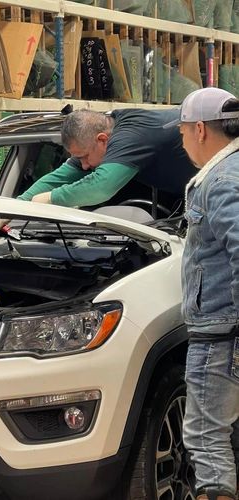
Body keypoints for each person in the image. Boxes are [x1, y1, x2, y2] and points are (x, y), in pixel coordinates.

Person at [175, 87, 239, 500]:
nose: (181, 142)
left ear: (200, 129)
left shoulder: (221, 182)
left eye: (181, 133)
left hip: (220, 333)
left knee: (205, 439)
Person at [0, 107, 196, 231]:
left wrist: (51, 198)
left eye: (84, 157)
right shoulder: (97, 139)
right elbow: (59, 177)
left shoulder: (132, 135)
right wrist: (16, 208)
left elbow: (101, 187)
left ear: (102, 140)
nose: (84, 165)